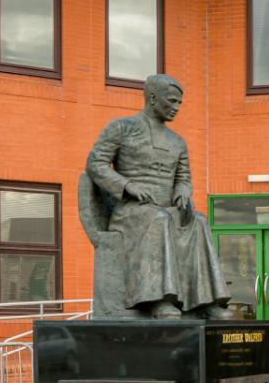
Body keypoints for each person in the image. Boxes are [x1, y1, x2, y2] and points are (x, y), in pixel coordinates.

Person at [86, 74, 231, 319]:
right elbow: (95, 163)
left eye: (179, 104)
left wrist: (182, 190)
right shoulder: (122, 128)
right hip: (131, 213)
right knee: (160, 219)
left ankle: (206, 301)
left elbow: (183, 177)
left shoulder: (178, 141)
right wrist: (127, 185)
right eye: (171, 101)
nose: (176, 108)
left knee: (199, 221)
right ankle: (158, 301)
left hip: (166, 210)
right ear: (152, 98)